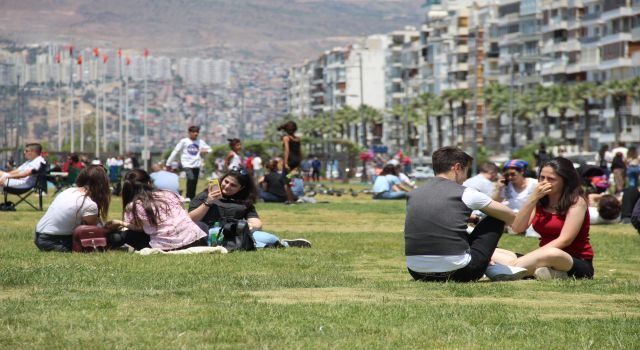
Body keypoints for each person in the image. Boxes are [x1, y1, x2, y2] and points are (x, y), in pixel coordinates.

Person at [405, 146, 520, 283]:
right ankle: (498, 265)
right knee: (495, 218)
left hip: (417, 271)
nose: (466, 177)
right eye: (467, 171)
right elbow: (510, 217)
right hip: (459, 272)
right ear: (457, 168)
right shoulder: (466, 192)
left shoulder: (413, 194)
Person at [491, 157, 594, 280]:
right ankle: (551, 273)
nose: (544, 182)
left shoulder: (577, 202)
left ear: (565, 181)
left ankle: (509, 269)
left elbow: (565, 240)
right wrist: (532, 198)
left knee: (551, 253)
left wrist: (528, 258)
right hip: (542, 256)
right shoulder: (540, 200)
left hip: (572, 260)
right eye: (542, 177)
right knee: (490, 252)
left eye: (551, 179)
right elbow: (517, 228)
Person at [188, 168, 310, 248]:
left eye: (233, 185)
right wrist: (208, 202)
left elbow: (256, 221)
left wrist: (250, 226)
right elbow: (189, 219)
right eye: (226, 182)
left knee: (267, 237)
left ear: (241, 188)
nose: (227, 187)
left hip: (234, 233)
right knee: (238, 241)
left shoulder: (243, 202)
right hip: (209, 234)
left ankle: (280, 244)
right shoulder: (205, 196)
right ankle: (276, 245)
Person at [106, 169, 208, 251]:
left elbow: (140, 229)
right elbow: (185, 216)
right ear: (149, 182)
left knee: (128, 234)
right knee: (201, 225)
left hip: (165, 246)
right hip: (193, 240)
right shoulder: (169, 193)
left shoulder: (134, 206)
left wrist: (119, 222)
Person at [34, 165, 110, 252]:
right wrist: (109, 228)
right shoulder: (89, 204)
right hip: (54, 241)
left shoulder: (68, 190)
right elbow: (93, 230)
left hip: (38, 236)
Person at [166, 125, 211, 200]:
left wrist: (205, 150)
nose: (196, 133)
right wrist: (168, 163)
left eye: (197, 132)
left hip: (196, 165)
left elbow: (210, 150)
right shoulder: (184, 141)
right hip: (187, 164)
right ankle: (188, 196)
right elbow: (175, 151)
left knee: (195, 181)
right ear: (189, 133)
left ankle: (192, 197)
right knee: (191, 178)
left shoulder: (200, 142)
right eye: (194, 132)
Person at [278, 121, 302, 204]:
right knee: (288, 178)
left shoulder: (286, 138)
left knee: (285, 181)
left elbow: (286, 151)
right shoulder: (297, 139)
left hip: (290, 161)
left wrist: (285, 163)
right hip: (296, 161)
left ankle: (290, 200)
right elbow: (299, 151)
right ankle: (293, 198)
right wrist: (299, 163)